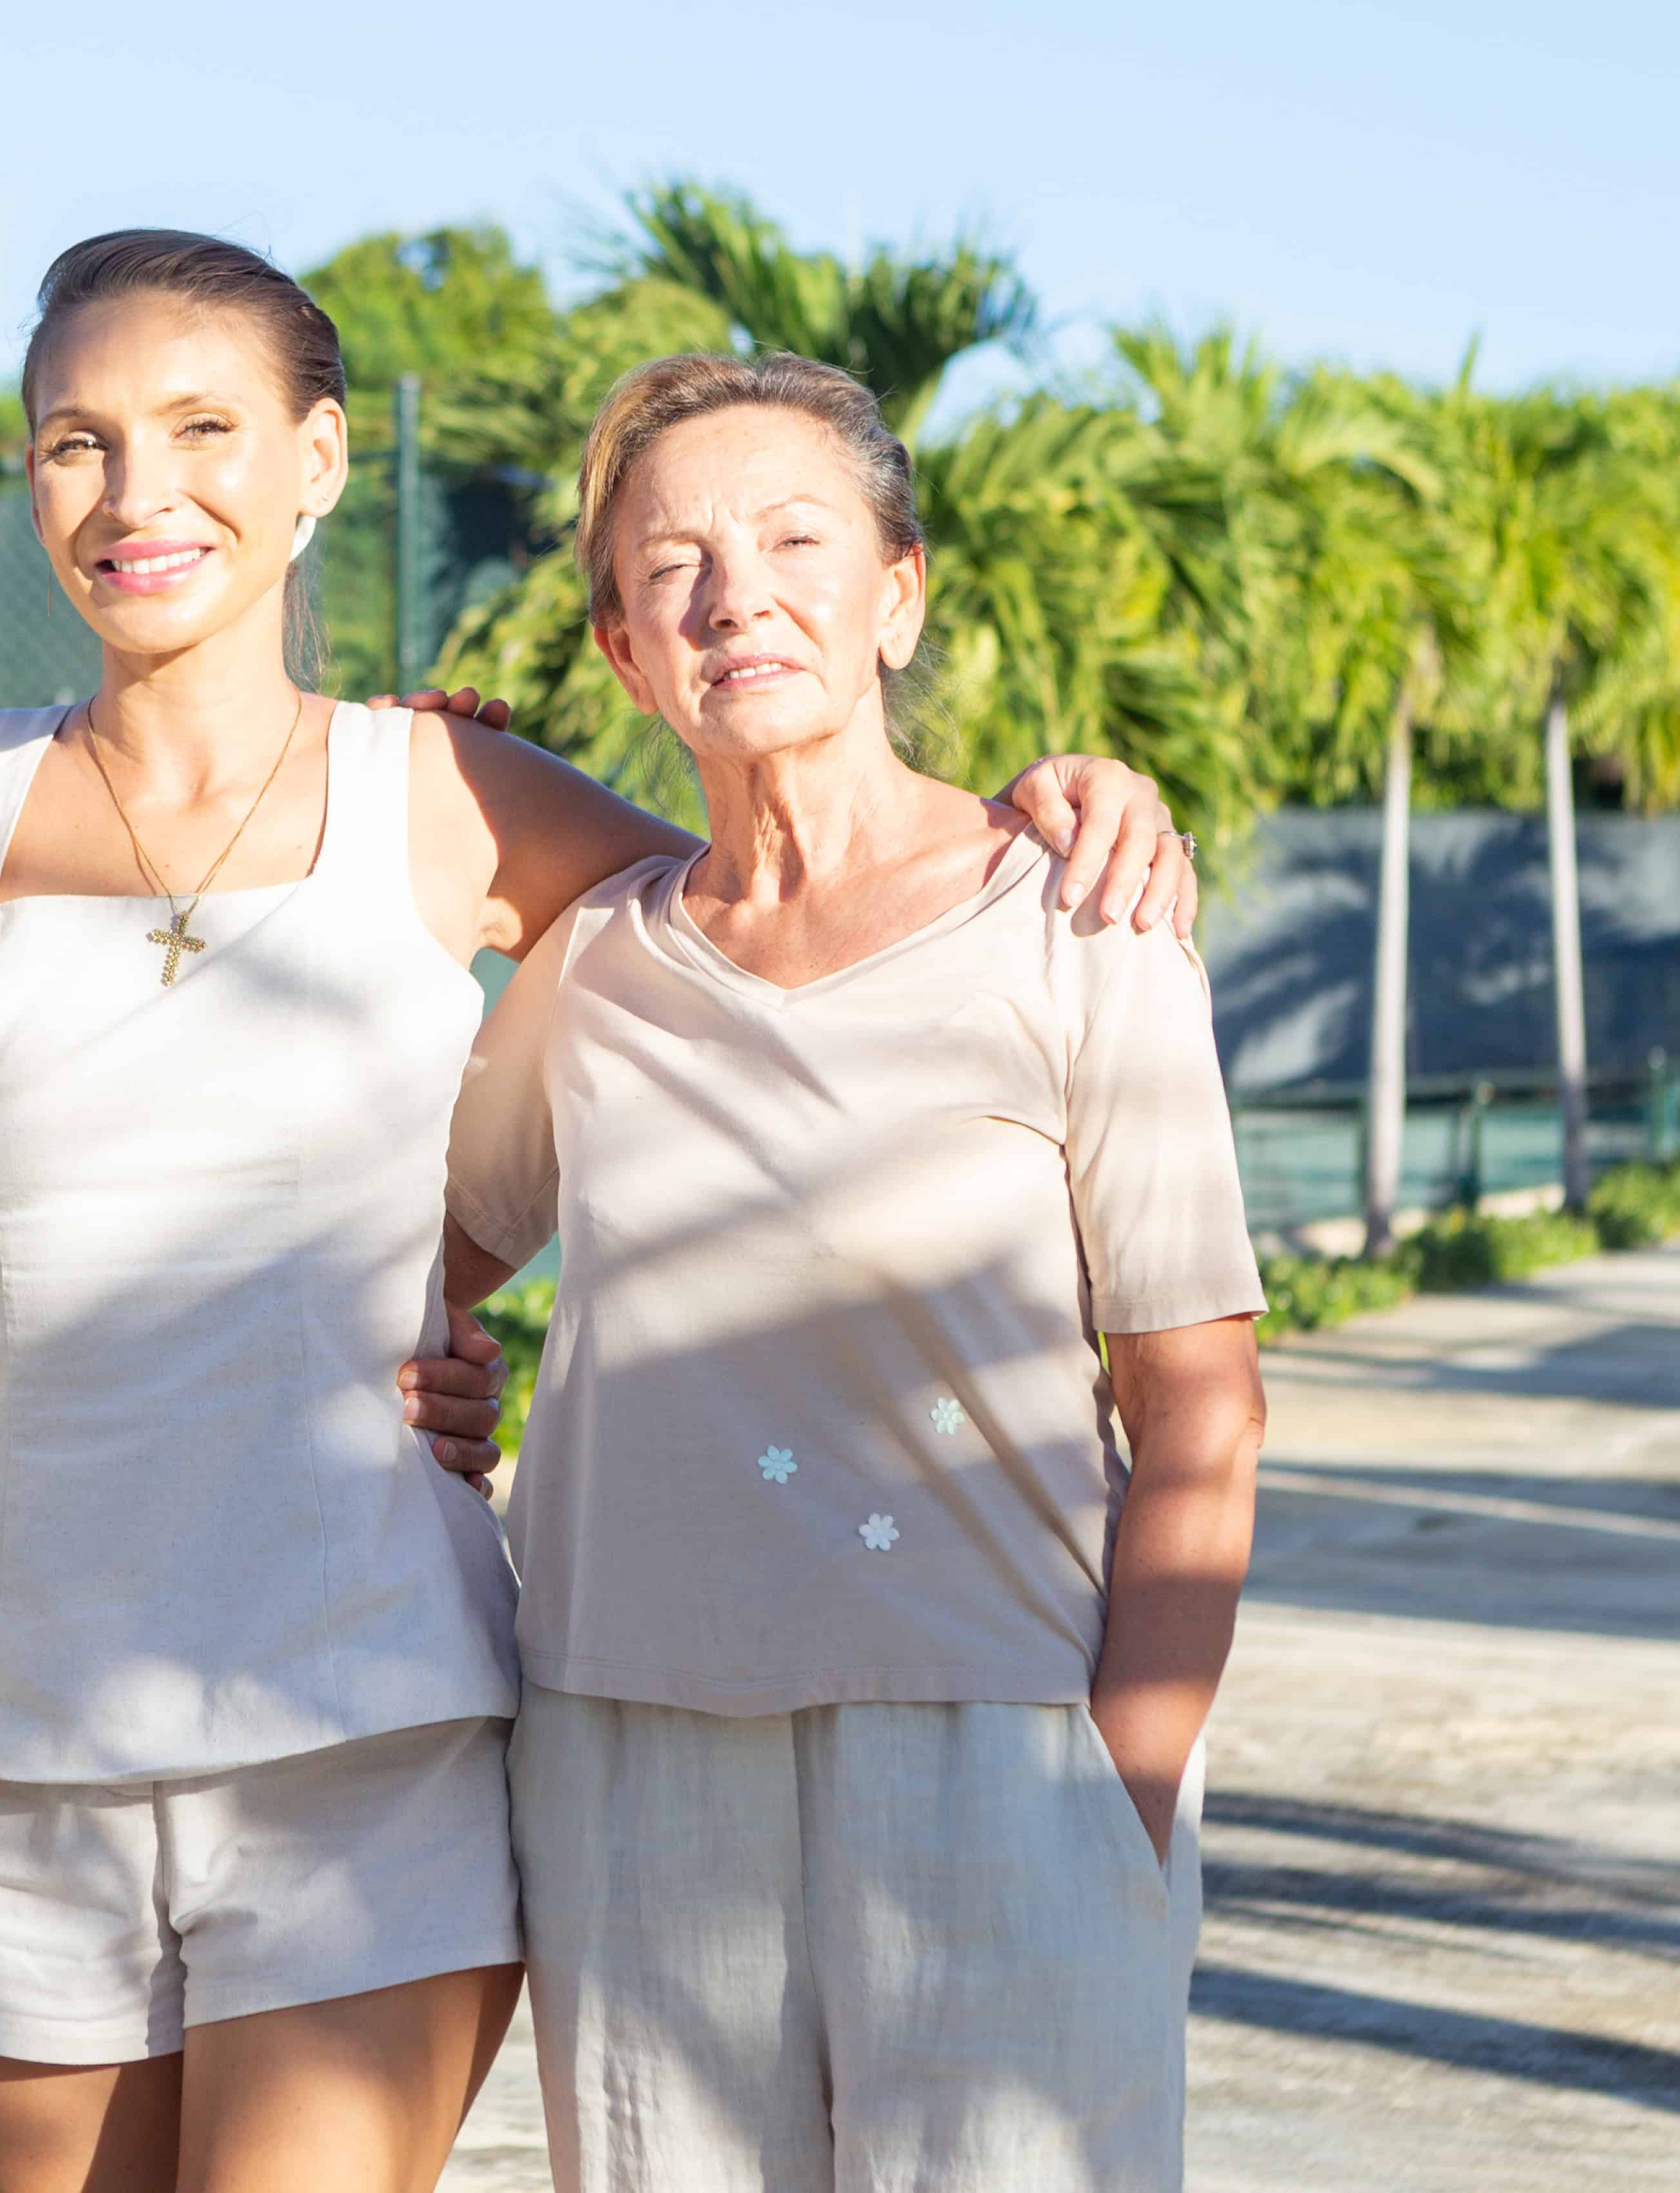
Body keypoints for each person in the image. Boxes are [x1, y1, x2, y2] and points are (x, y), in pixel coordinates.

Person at [0, 233, 1204, 2193]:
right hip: (7, 1703)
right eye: (81, 439)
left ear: (321, 461)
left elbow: (808, 918)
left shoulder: (459, 797)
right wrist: (409, 1315)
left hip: (368, 1715)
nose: (141, 490)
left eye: (205, 428)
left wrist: (1071, 809)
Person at [443, 350, 1270, 2192]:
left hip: (1005, 1749)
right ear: (626, 649)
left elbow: (1201, 1405)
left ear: (898, 595)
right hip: (629, 1753)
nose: (736, 597)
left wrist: (1123, 1798)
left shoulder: (1084, 922)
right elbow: (405, 1261)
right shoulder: (594, 963)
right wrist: (437, 1370)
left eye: (796, 540)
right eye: (673, 565)